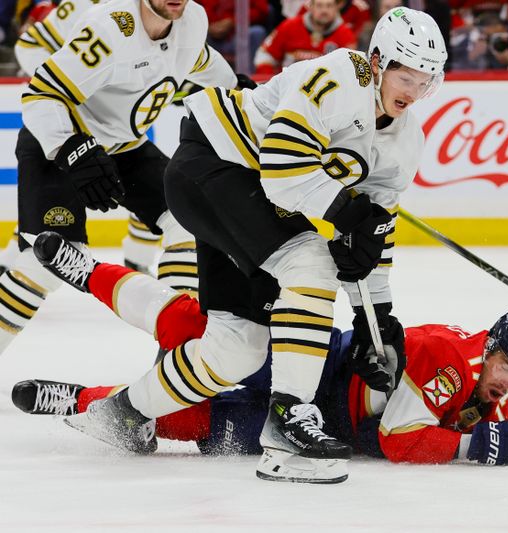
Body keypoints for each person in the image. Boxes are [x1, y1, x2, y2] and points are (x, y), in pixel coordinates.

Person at [34, 7, 448, 484]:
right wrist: (349, 214)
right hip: (212, 163)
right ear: (377, 61)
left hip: (241, 194)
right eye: (405, 74)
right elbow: (281, 169)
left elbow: (374, 238)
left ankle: (118, 416)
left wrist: (376, 317)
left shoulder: (404, 142)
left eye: (425, 80)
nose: (412, 91)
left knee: (239, 348)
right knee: (311, 263)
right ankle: (288, 425)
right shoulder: (340, 76)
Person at [16, 241, 508, 467]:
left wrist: (494, 437)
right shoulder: (445, 358)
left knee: (207, 425)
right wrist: (475, 448)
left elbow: (418, 432)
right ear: (489, 349)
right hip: (316, 368)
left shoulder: (493, 394)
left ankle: (82, 400)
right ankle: (88, 271)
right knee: (193, 326)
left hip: (327, 426)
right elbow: (398, 440)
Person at [0, 0, 248, 358]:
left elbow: (199, 59)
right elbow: (40, 94)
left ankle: (177, 352)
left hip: (126, 147)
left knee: (191, 220)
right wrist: (72, 148)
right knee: (46, 266)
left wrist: (235, 90)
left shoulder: (193, 18)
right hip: (60, 144)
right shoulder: (109, 26)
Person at [253, 0, 356, 75]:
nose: (324, 11)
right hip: (287, 85)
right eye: (319, 6)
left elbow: (348, 70)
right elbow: (265, 55)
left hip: (325, 91)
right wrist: (270, 79)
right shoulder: (289, 26)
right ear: (310, 6)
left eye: (329, 6)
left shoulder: (346, 34)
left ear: (336, 7)